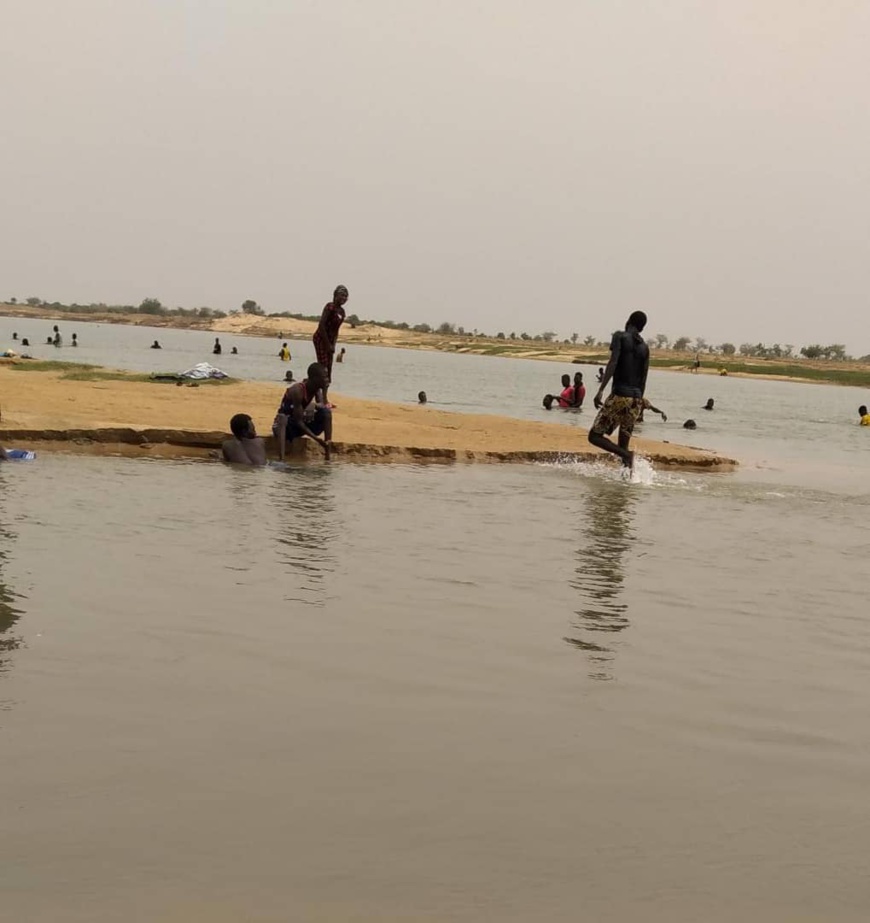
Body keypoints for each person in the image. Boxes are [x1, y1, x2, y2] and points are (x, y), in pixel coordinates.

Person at [588, 310, 650, 469]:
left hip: (620, 395)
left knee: (594, 436)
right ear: (642, 328)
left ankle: (626, 455)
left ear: (628, 321)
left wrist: (601, 389)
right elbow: (643, 379)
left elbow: (613, 363)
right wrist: (639, 405)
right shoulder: (645, 348)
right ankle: (625, 484)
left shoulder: (620, 336)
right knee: (623, 444)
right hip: (636, 399)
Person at [273, 362, 333, 461]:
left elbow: (324, 405)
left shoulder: (316, 389)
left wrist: (324, 392)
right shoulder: (298, 391)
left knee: (327, 413)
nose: (328, 380)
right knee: (282, 418)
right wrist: (316, 439)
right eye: (325, 377)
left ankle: (327, 455)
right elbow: (298, 421)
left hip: (299, 424)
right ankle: (281, 459)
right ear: (315, 378)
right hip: (287, 427)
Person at [313, 284, 348, 399]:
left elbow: (336, 331)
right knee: (323, 367)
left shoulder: (342, 313)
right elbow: (321, 325)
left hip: (330, 342)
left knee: (329, 369)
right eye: (341, 295)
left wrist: (333, 345)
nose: (343, 298)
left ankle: (324, 396)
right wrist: (327, 344)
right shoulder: (329, 307)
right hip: (320, 339)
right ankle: (320, 397)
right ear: (335, 295)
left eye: (346, 296)